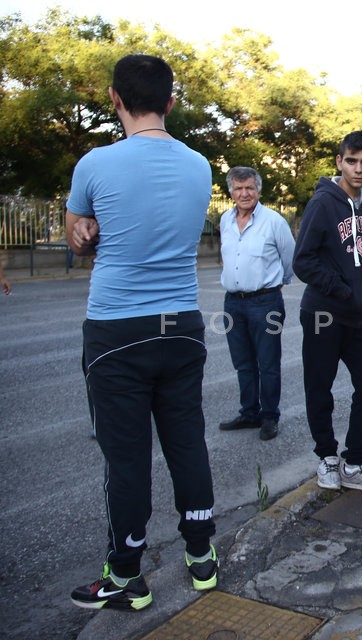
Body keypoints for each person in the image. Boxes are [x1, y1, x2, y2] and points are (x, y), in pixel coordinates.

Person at [65, 54, 218, 611]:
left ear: (114, 100)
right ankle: (201, 556)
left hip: (116, 329)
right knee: (187, 442)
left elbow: (78, 237)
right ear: (171, 103)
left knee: (126, 458)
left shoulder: (95, 164)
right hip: (182, 325)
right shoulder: (200, 165)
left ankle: (127, 575)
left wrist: (86, 231)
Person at [293, 131, 362, 495]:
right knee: (320, 387)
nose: (358, 169)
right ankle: (327, 457)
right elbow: (303, 260)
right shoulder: (323, 204)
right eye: (351, 161)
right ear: (339, 161)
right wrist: (342, 290)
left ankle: (354, 461)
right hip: (323, 313)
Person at [217, 166, 295, 441]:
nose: (244, 193)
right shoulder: (225, 220)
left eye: (249, 187)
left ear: (259, 190)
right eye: (238, 188)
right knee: (243, 362)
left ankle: (269, 416)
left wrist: (276, 284)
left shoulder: (274, 221)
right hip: (233, 303)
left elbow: (289, 259)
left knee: (268, 363)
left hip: (265, 302)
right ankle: (249, 412)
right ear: (231, 192)